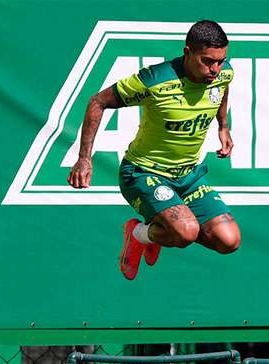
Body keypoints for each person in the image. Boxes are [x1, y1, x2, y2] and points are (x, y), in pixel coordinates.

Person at [67, 20, 240, 280]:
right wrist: (84, 159)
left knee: (229, 241)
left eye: (220, 60)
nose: (215, 69)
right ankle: (138, 234)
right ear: (187, 52)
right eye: (207, 61)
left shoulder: (224, 73)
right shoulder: (155, 80)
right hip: (143, 173)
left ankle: (160, 230)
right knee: (185, 231)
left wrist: (223, 126)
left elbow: (220, 89)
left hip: (188, 176)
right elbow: (97, 101)